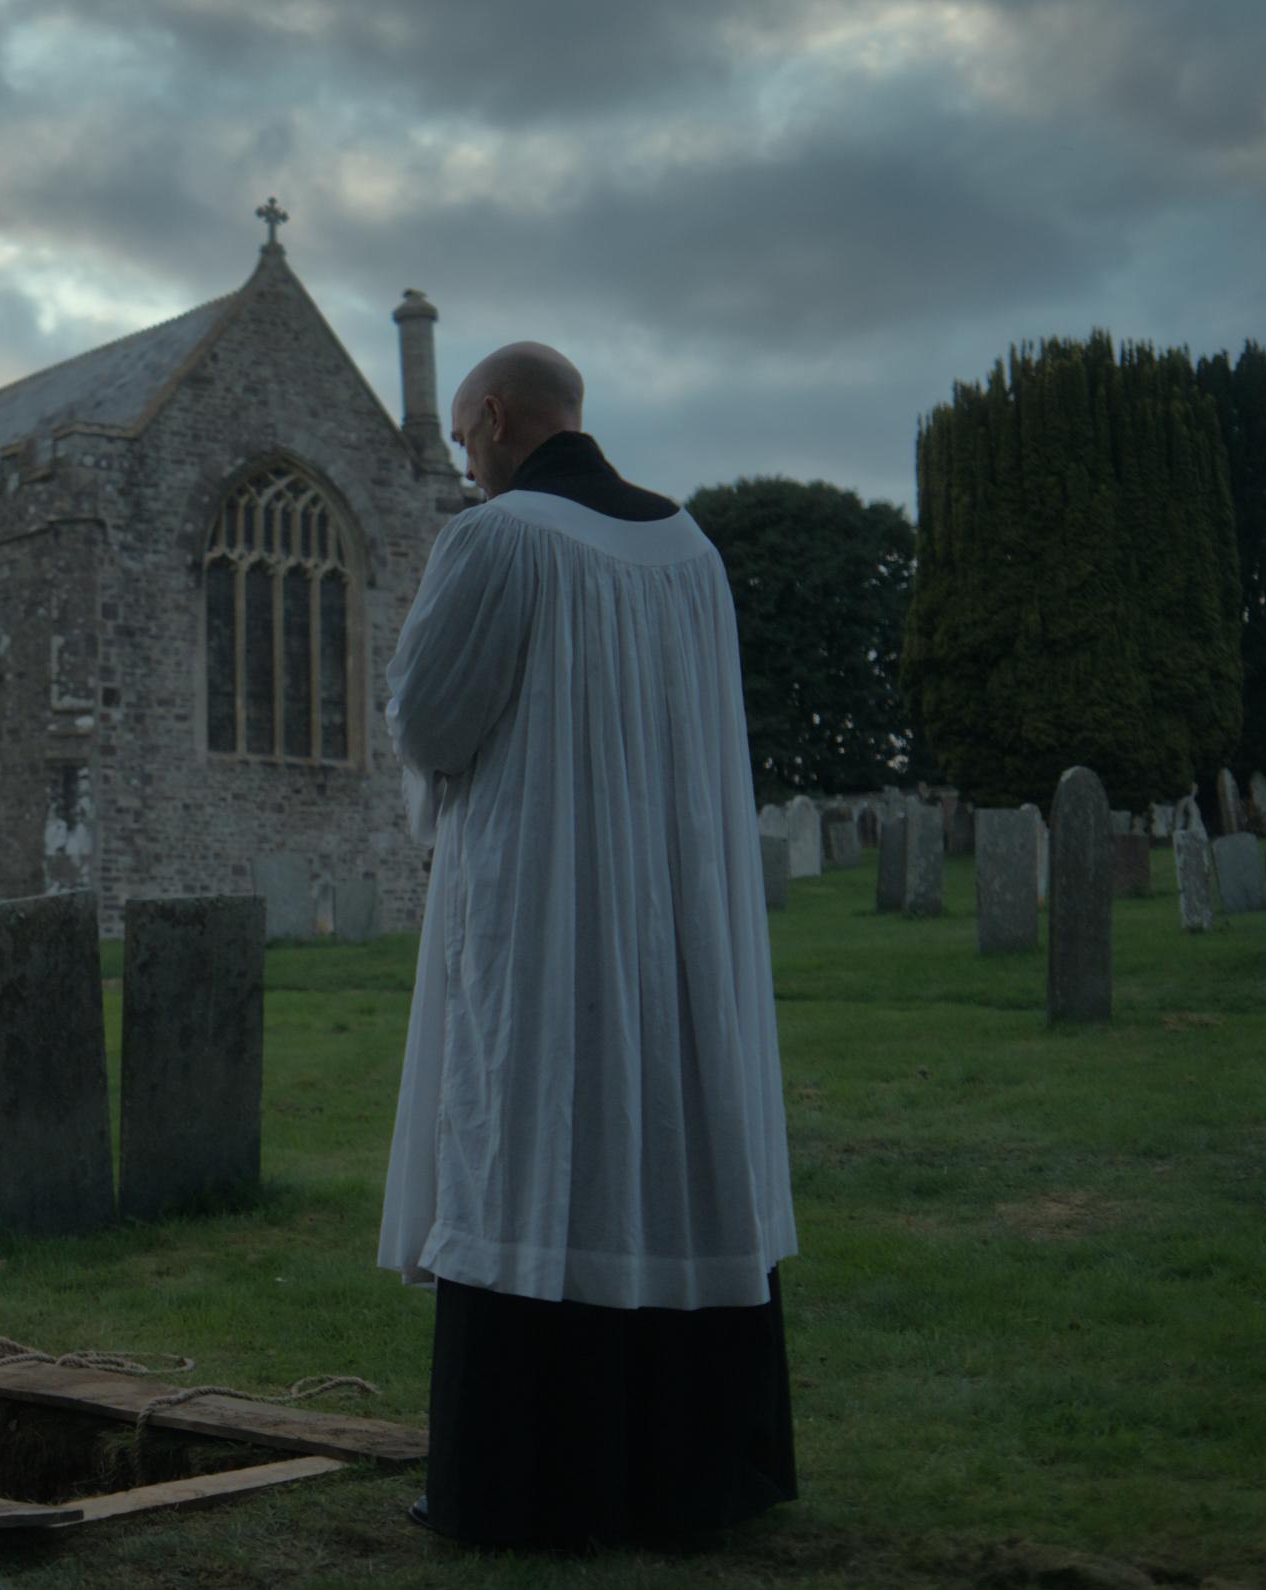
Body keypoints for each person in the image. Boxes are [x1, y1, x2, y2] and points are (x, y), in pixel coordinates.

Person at [376, 343, 800, 1548]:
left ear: (495, 416)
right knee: (669, 1132)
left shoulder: (497, 539)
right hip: (676, 913)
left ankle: (530, 1484)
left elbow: (430, 721)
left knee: (532, 1127)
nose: (467, 464)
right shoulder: (692, 549)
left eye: (466, 440)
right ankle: (684, 1475)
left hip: (547, 904)